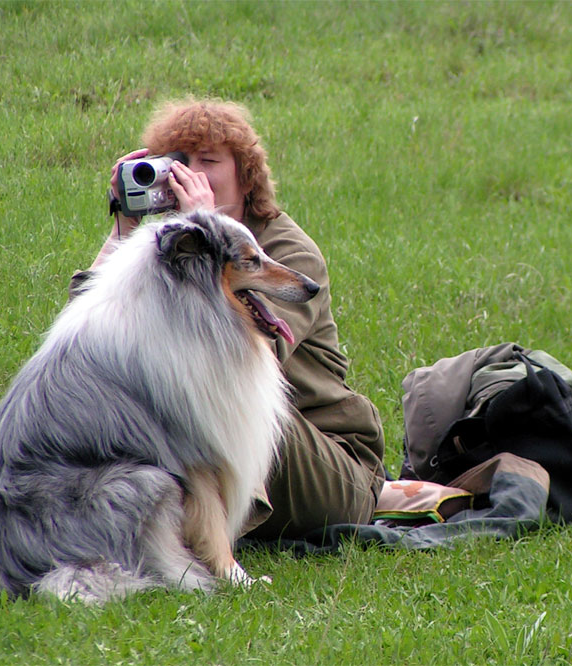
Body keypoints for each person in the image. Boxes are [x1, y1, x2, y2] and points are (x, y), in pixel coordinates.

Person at [81, 98, 386, 540]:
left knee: (210, 400)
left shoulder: (289, 252)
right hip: (251, 444)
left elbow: (236, 363)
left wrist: (200, 224)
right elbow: (88, 344)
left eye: (208, 160)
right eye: (179, 162)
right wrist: (124, 234)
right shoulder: (172, 250)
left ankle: (211, 543)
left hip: (329, 463)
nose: (192, 173)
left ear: (245, 177)